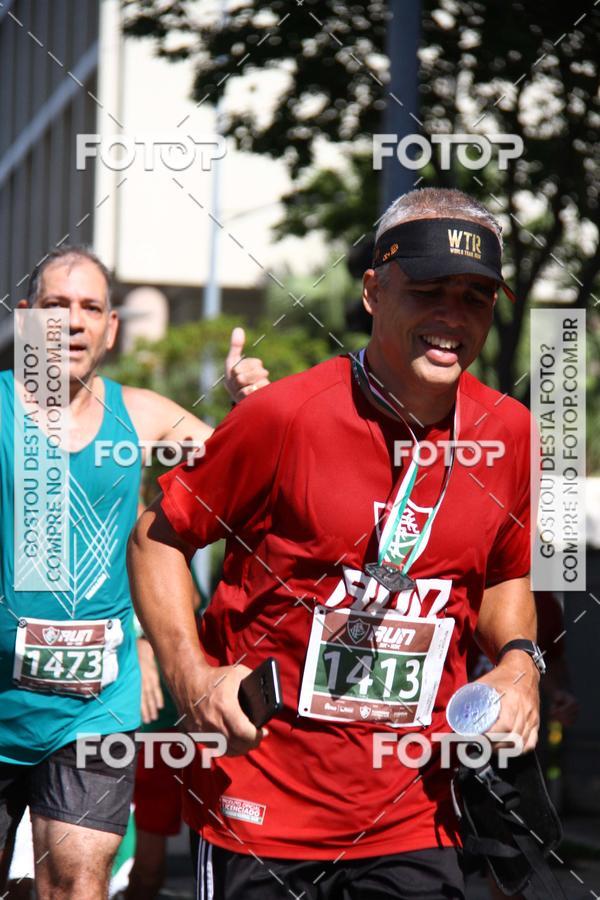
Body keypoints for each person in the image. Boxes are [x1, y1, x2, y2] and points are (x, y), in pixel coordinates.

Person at [128, 187, 543, 900]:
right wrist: (190, 675)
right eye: (429, 290)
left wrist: (518, 661)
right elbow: (157, 535)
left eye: (475, 297)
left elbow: (506, 576)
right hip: (260, 806)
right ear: (375, 291)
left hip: (415, 816)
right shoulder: (285, 417)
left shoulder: (509, 434)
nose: (452, 317)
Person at [0, 245, 267, 900]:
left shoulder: (141, 415)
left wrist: (248, 408)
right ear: (27, 315)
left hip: (95, 704)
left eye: (91, 307)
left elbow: (248, 478)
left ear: (112, 327)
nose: (73, 322)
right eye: (57, 306)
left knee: (78, 879)